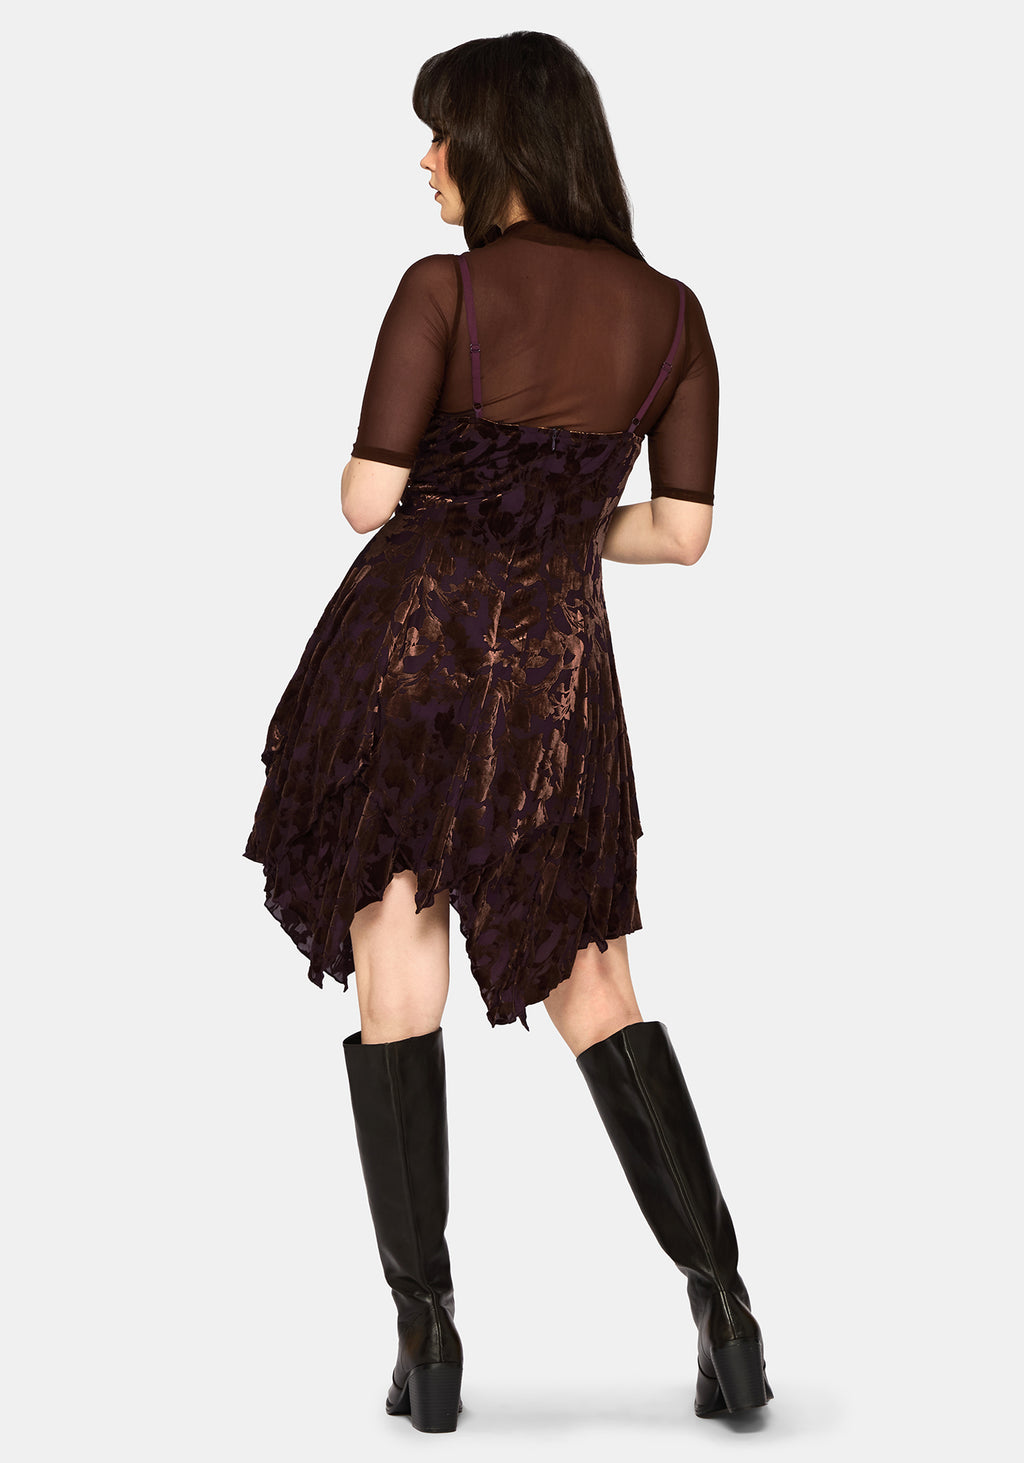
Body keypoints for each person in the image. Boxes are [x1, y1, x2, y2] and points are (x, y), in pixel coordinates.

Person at [243, 30, 772, 1434]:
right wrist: (553, 529)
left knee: (394, 951)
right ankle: (724, 1304)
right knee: (593, 978)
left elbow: (369, 500)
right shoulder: (673, 316)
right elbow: (684, 532)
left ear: (500, 143)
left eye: (442, 133)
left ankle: (427, 1339)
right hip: (553, 674)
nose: (426, 161)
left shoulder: (445, 290)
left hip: (411, 653)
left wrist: (460, 504)